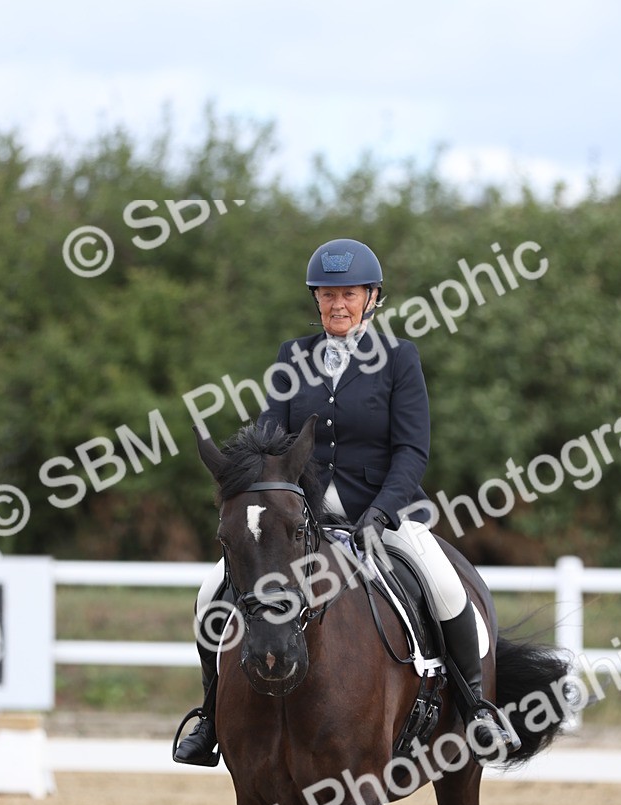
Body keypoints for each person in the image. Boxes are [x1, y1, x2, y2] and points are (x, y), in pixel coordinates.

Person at [174, 237, 508, 765]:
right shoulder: (294, 356)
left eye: (348, 294)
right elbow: (269, 437)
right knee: (210, 592)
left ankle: (476, 707)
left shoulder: (399, 358)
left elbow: (411, 449)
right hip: (301, 521)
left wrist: (381, 512)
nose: (337, 305)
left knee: (445, 585)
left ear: (372, 297)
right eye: (327, 295)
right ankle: (211, 716)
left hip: (380, 512)